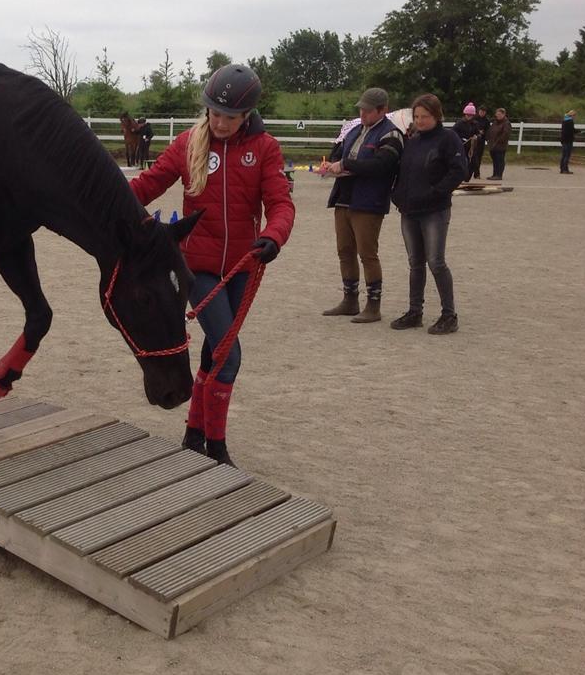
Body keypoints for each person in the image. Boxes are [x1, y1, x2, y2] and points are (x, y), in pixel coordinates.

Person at [129, 64, 294, 466]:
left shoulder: (265, 148)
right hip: (198, 269)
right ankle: (216, 449)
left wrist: (273, 236)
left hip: (242, 267)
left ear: (247, 115)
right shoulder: (188, 144)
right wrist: (101, 199)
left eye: (229, 117)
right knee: (229, 354)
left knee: (212, 354)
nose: (219, 122)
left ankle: (193, 434)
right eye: (213, 113)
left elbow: (279, 202)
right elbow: (147, 184)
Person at [319, 87, 404, 323]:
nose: (363, 113)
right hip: (344, 198)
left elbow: (381, 166)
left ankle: (373, 305)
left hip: (369, 201)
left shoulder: (392, 135)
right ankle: (350, 299)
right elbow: (341, 155)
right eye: (361, 109)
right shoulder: (355, 131)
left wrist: (346, 164)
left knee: (367, 253)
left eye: (368, 110)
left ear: (383, 110)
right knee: (344, 251)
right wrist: (332, 165)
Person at [388, 94, 467, 335]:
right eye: (417, 116)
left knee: (436, 261)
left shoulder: (448, 139)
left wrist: (436, 192)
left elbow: (458, 170)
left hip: (434, 210)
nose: (420, 121)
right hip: (409, 209)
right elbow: (404, 170)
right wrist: (397, 193)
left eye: (425, 116)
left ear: (437, 116)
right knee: (415, 263)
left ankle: (449, 314)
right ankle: (415, 311)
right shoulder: (412, 140)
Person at [453, 103, 482, 178]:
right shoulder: (459, 123)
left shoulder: (475, 124)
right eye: (468, 115)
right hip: (462, 145)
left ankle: (468, 176)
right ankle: (462, 176)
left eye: (471, 115)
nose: (469, 116)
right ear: (465, 114)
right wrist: (461, 139)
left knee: (474, 162)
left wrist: (477, 137)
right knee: (462, 161)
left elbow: (478, 134)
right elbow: (454, 133)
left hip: (472, 146)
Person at [485, 107, 511, 180]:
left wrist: (498, 142)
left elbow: (505, 134)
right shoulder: (495, 122)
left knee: (499, 160)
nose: (498, 115)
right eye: (497, 114)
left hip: (500, 146)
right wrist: (488, 138)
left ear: (503, 114)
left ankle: (499, 175)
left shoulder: (506, 123)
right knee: (495, 161)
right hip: (492, 145)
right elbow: (490, 131)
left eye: (499, 114)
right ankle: (494, 174)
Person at [471, 105, 490, 178]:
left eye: (484, 112)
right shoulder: (474, 119)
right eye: (481, 111)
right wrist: (477, 131)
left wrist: (485, 134)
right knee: (472, 157)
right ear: (478, 111)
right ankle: (468, 173)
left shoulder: (486, 120)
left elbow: (488, 130)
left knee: (478, 157)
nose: (482, 113)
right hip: (473, 140)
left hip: (481, 141)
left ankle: (477, 173)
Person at [560, 109, 576, 174]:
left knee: (564, 155)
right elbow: (571, 130)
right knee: (567, 155)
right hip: (568, 140)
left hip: (563, 140)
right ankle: (565, 169)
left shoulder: (564, 120)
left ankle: (562, 169)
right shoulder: (570, 121)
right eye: (574, 115)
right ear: (572, 115)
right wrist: (578, 131)